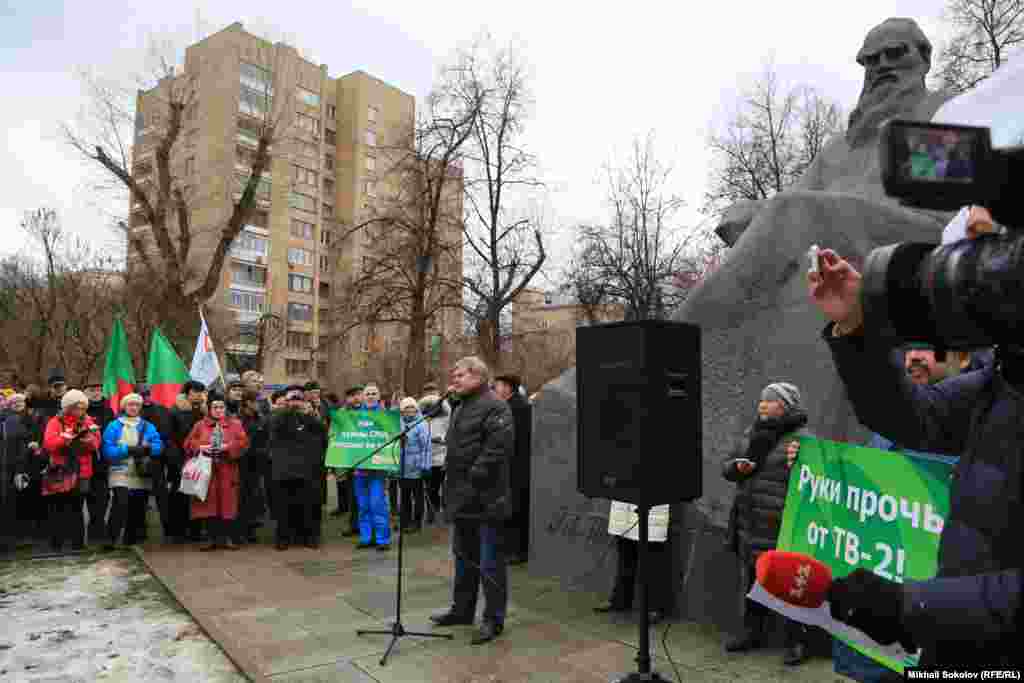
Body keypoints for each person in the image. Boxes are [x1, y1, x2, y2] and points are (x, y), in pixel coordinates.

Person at [806, 245, 1021, 670]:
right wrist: (854, 326)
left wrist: (914, 605)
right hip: (956, 649)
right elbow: (909, 417)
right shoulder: (1003, 378)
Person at [722, 382, 813, 666]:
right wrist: (736, 467)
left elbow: (813, 477)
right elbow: (727, 466)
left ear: (786, 406)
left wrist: (799, 461)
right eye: (761, 400)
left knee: (788, 585)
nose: (762, 405)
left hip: (781, 524)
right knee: (753, 582)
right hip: (750, 521)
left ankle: (795, 642)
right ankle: (752, 633)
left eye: (770, 400)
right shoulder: (752, 434)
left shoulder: (801, 440)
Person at [430, 357, 515, 645]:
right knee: (464, 558)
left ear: (478, 376)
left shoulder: (495, 406)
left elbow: (496, 451)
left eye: (460, 375)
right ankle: (462, 610)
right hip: (461, 498)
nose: (454, 380)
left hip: (487, 498)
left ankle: (493, 618)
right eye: (453, 375)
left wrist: (471, 480)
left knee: (490, 563)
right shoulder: (461, 405)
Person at [183, 392, 249, 551]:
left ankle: (226, 538)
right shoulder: (200, 425)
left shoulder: (235, 424)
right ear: (209, 409)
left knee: (227, 505)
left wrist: (228, 447)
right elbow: (188, 443)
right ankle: (210, 538)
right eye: (215, 407)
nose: (218, 410)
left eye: (221, 407)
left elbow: (243, 442)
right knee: (208, 505)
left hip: (227, 469)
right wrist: (201, 447)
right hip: (207, 470)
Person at [41, 389, 101, 552]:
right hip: (61, 470)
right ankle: (56, 545)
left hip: (82, 471)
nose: (80, 411)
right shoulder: (55, 421)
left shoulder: (88, 421)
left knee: (77, 508)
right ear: (68, 407)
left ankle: (78, 544)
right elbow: (49, 444)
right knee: (58, 507)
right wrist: (65, 438)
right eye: (76, 407)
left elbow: (96, 444)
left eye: (83, 407)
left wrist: (88, 440)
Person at [268, 386, 327, 550]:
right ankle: (283, 538)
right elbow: (274, 432)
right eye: (292, 399)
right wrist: (288, 410)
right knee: (284, 507)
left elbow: (322, 433)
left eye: (299, 399)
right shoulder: (279, 417)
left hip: (308, 469)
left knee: (309, 507)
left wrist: (307, 414)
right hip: (285, 470)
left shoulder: (310, 417)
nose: (295, 403)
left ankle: (310, 538)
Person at [102, 393, 163, 549]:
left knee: (137, 508)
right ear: (124, 406)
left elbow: (158, 446)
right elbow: (107, 450)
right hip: (120, 470)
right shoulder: (114, 426)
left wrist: (147, 449)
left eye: (137, 405)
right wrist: (126, 450)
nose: (134, 407)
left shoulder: (148, 426)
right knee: (120, 504)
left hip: (141, 472)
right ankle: (111, 539)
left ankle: (131, 541)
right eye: (130, 404)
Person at [494, 374, 532, 564]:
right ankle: (510, 548)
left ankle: (519, 551)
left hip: (518, 466)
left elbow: (520, 441)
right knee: (509, 508)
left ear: (509, 388)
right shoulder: (506, 406)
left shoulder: (520, 407)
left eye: (498, 385)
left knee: (517, 508)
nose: (495, 389)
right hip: (508, 465)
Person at [353, 383, 391, 551]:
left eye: (373, 393)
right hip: (359, 469)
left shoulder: (386, 416)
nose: (370, 396)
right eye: (367, 393)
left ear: (378, 396)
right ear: (363, 396)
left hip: (378, 469)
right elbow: (348, 440)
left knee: (378, 504)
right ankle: (366, 537)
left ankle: (383, 539)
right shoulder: (353, 416)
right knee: (363, 505)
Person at [169, 381, 207, 542]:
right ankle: (178, 531)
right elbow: (171, 437)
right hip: (181, 459)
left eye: (201, 391)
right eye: (195, 391)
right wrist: (176, 460)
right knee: (180, 496)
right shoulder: (175, 411)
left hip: (201, 458)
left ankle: (196, 530)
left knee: (198, 494)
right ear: (187, 393)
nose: (198, 394)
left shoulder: (205, 411)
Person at [1, 394, 37, 552]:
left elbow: (21, 446)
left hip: (16, 468)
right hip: (9, 467)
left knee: (16, 503)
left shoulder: (14, 421)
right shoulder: (9, 420)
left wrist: (19, 470)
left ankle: (16, 539)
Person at [83, 379, 115, 544]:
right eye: (92, 389)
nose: (96, 393)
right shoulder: (83, 410)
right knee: (89, 496)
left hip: (103, 459)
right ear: (86, 392)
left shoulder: (108, 410)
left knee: (103, 497)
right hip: (86, 460)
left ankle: (99, 529)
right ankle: (92, 531)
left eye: (99, 389)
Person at [332, 386, 363, 541]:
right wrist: (339, 465)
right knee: (353, 496)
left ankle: (367, 526)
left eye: (358, 395)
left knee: (369, 496)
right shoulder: (340, 415)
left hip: (368, 461)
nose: (356, 398)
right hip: (350, 462)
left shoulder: (372, 412)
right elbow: (334, 437)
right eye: (352, 396)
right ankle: (354, 525)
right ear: (347, 399)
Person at [238, 389, 269, 544]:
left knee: (254, 496)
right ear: (248, 402)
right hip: (242, 464)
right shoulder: (238, 419)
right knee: (241, 497)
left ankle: (250, 529)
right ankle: (240, 530)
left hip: (256, 463)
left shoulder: (260, 418)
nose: (260, 404)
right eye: (257, 401)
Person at [398, 397, 431, 533]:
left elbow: (426, 447)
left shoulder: (421, 424)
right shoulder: (399, 424)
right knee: (404, 496)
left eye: (412, 408)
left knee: (417, 496)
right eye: (406, 408)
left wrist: (425, 465)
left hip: (417, 465)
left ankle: (416, 522)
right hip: (402, 465)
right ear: (402, 411)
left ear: (416, 409)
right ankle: (405, 521)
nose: (409, 411)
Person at [419, 385, 449, 525]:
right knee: (430, 487)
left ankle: (445, 510)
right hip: (427, 458)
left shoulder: (446, 413)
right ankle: (432, 511)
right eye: (428, 393)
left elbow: (449, 431)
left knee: (443, 486)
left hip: (442, 456)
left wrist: (442, 440)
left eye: (433, 393)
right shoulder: (422, 416)